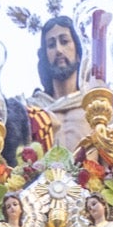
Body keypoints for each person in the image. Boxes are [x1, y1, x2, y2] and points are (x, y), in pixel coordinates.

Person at [30, 15, 89, 153]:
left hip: (90, 174)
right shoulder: (32, 109)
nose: (58, 50)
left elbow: (112, 160)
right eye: (51, 45)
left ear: (79, 53)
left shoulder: (93, 106)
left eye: (64, 41)